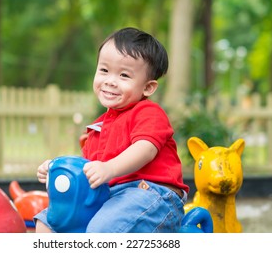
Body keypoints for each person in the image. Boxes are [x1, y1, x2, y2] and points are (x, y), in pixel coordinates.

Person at [34, 27, 189, 233]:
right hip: (111, 196)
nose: (110, 80)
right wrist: (56, 168)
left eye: (124, 75)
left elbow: (145, 148)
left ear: (148, 87)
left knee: (103, 229)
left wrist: (110, 169)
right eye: (104, 70)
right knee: (48, 220)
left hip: (152, 194)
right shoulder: (99, 125)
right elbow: (86, 169)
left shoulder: (148, 112)